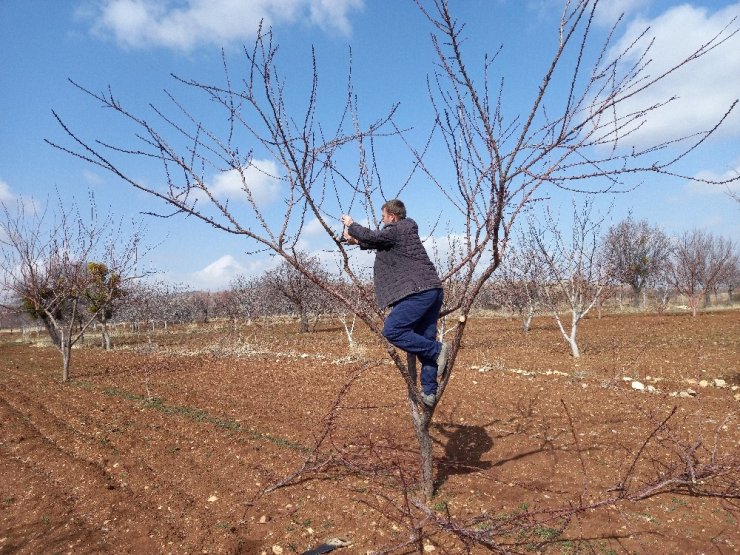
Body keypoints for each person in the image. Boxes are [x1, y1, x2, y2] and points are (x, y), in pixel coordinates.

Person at [340, 199, 449, 407]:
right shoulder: (402, 233)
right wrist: (355, 241)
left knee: (393, 330)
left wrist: (351, 224)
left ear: (392, 216)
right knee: (425, 341)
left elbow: (376, 236)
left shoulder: (400, 227)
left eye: (383, 218)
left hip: (418, 291)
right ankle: (429, 392)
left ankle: (439, 351)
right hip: (431, 290)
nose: (383, 222)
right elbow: (380, 242)